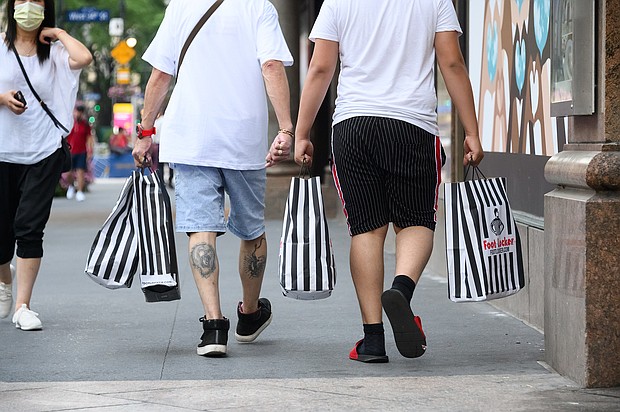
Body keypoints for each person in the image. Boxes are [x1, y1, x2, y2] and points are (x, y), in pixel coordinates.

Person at [295, 0, 484, 363]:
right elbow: (452, 63)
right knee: (415, 222)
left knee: (366, 230)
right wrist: (472, 130)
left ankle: (373, 340)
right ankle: (401, 289)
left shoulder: (337, 2)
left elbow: (321, 68)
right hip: (412, 125)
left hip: (353, 125)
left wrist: (302, 131)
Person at [133, 0, 294, 357]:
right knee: (251, 229)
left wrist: (145, 130)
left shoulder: (180, 7)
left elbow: (161, 75)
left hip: (190, 138)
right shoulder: (259, 8)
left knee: (199, 228)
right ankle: (249, 315)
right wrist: (285, 127)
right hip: (242, 139)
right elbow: (271, 65)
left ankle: (213, 326)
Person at [0, 0, 92, 329]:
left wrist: (59, 33)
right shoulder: (0, 46)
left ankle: (23, 305)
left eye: (37, 1)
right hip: (3, 152)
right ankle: (5, 282)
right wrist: (2, 98)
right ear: (11, 7)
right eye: (22, 0)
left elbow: (83, 58)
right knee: (1, 235)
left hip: (43, 151)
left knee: (29, 228)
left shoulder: (52, 52)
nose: (28, 7)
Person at [65, 104, 93, 202]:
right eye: (77, 111)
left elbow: (89, 138)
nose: (78, 114)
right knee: (68, 173)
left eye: (80, 112)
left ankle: (80, 191)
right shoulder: (70, 123)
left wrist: (90, 151)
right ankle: (71, 186)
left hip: (81, 151)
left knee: (80, 172)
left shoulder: (85, 125)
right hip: (70, 151)